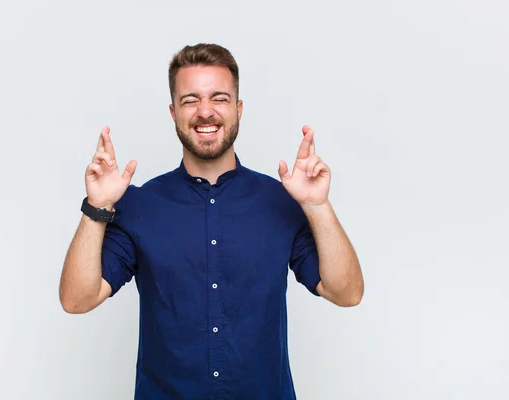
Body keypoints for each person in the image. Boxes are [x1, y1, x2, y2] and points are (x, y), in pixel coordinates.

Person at [59, 43, 364, 400]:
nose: (205, 112)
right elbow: (76, 300)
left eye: (219, 98)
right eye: (190, 100)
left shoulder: (281, 202)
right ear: (173, 112)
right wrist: (97, 207)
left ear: (238, 109)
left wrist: (317, 205)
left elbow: (347, 292)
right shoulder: (140, 205)